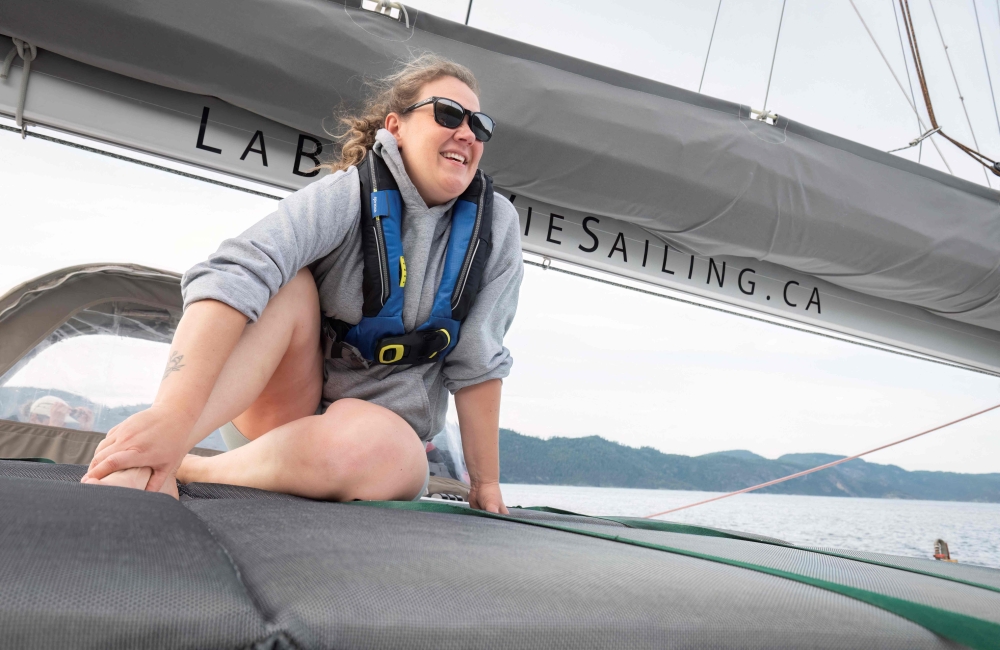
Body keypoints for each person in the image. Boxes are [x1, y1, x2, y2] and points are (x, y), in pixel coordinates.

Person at [80, 55, 522, 513]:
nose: (467, 133)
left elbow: (478, 360)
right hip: (282, 406)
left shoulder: (497, 229)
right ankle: (164, 447)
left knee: (386, 449)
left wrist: (485, 485)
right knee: (282, 285)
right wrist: (169, 418)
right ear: (397, 126)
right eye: (448, 114)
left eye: (480, 125)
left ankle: (191, 467)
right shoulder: (348, 194)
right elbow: (232, 271)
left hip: (378, 440)